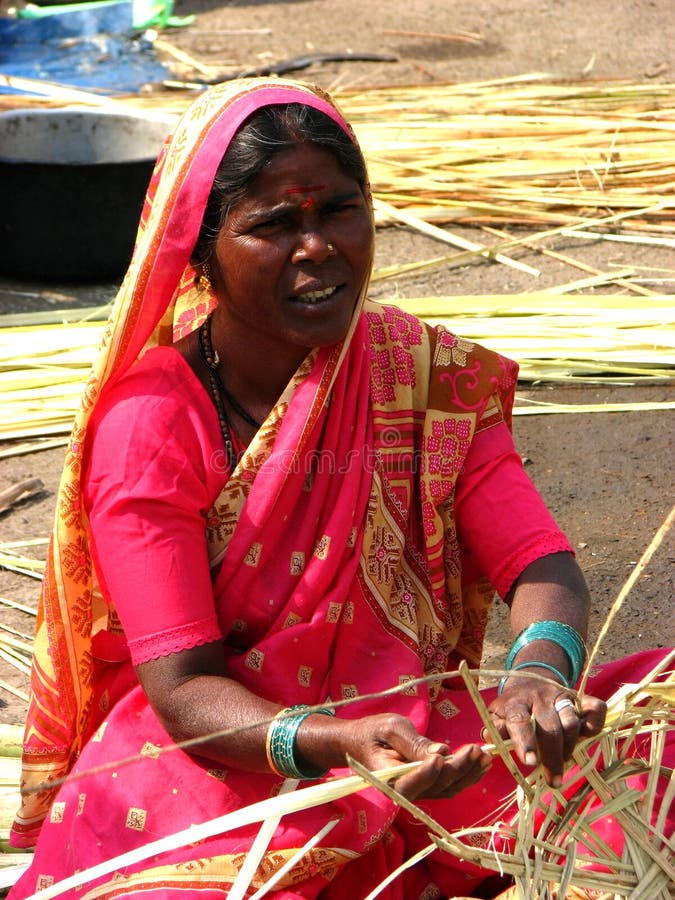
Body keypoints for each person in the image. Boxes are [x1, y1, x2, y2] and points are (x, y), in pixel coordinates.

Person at [8, 78, 670, 900]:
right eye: (273, 224)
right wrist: (336, 742)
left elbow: (538, 563)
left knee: (656, 742)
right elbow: (182, 691)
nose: (317, 247)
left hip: (419, 742)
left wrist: (539, 674)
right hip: (233, 763)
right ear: (201, 250)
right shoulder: (150, 426)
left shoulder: (419, 374)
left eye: (339, 210)